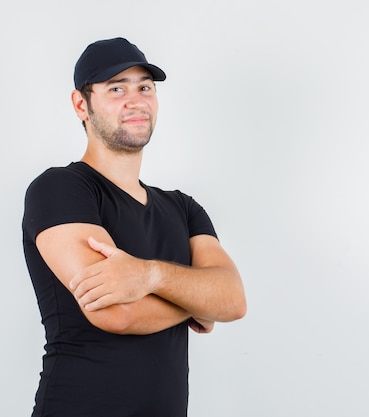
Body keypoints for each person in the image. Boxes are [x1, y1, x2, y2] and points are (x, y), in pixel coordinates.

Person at [22, 37, 247, 417]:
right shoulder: (60, 189)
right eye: (115, 88)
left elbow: (233, 300)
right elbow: (115, 314)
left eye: (144, 87)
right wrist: (198, 304)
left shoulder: (183, 207)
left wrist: (150, 276)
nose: (135, 100)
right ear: (82, 104)